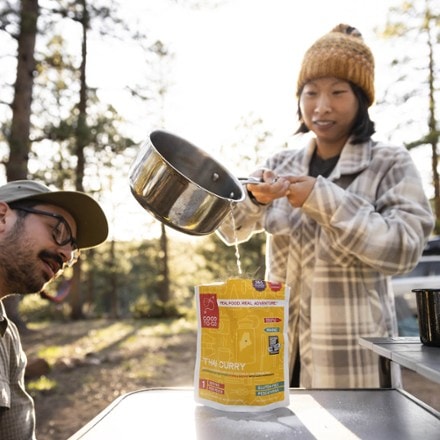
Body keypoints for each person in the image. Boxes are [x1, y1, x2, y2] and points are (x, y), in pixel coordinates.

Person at [217, 24, 434, 389]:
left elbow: (404, 249)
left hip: (354, 365)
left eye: (338, 92)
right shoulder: (281, 163)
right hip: (280, 360)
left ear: (361, 99)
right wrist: (254, 198)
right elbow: (229, 230)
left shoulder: (389, 162)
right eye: (310, 92)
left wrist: (323, 198)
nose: (321, 106)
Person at [0, 180, 108, 440]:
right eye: (58, 230)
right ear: (2, 218)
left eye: (73, 250)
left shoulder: (7, 338)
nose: (66, 255)